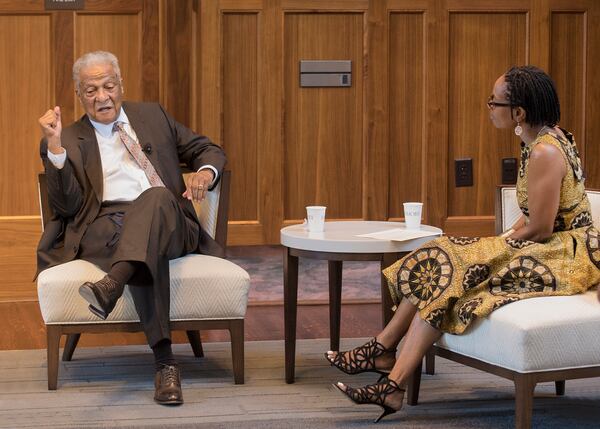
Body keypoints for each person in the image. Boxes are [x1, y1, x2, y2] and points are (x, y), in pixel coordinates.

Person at [325, 65, 600, 422]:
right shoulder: (539, 140)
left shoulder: (545, 152)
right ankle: (388, 373)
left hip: (566, 256)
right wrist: (499, 241)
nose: (489, 108)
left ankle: (384, 361)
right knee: (441, 258)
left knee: (453, 264)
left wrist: (498, 245)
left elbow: (543, 227)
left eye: (494, 102)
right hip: (549, 245)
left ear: (519, 112)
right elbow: (534, 212)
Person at [37, 51, 226, 406]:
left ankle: (111, 284)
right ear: (79, 95)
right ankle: (165, 364)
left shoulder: (152, 115)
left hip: (167, 216)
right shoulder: (68, 138)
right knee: (139, 244)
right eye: (91, 90)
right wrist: (55, 149)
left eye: (109, 86)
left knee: (154, 199)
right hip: (106, 224)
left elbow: (208, 149)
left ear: (121, 85)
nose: (102, 97)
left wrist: (204, 173)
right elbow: (66, 209)